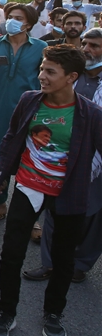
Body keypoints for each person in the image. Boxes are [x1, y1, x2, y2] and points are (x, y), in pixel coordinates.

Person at [0, 45, 102, 336]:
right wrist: (2, 174)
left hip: (68, 195)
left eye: (50, 71)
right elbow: (13, 135)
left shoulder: (91, 114)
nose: (42, 76)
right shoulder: (29, 100)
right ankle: (5, 313)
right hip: (28, 187)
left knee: (63, 259)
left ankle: (53, 313)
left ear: (71, 77)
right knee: (11, 254)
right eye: (41, 69)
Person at [23, 28, 102, 284]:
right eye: (86, 44)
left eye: (95, 46)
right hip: (59, 154)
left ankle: (79, 263)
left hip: (95, 157)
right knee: (54, 210)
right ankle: (49, 263)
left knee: (90, 213)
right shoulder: (69, 76)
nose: (88, 49)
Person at [0, 7, 47, 226]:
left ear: (29, 24)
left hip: (29, 113)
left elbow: (43, 80)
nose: (12, 22)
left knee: (29, 162)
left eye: (19, 19)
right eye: (10, 18)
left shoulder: (41, 48)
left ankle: (30, 214)